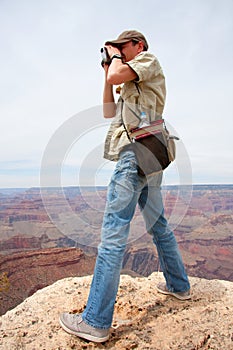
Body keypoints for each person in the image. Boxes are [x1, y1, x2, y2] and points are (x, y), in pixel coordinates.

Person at [59, 30, 191, 343]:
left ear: (138, 45)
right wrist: (107, 72)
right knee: (159, 225)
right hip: (152, 158)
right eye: (115, 48)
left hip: (135, 156)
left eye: (122, 46)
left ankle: (95, 321)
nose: (117, 51)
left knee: (113, 235)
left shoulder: (148, 60)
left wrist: (113, 58)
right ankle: (179, 285)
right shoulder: (130, 82)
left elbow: (119, 70)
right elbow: (108, 111)